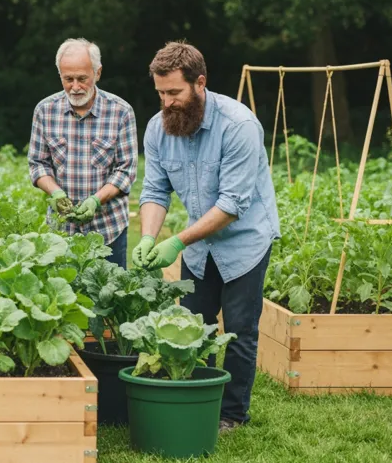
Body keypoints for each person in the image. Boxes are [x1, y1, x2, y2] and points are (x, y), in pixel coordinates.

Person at [133, 41, 280, 433]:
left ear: (200, 83)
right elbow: (154, 191)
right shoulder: (158, 128)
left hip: (245, 241)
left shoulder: (239, 125)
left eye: (175, 92)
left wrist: (177, 241)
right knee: (193, 327)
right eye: (161, 93)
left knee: (238, 330)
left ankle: (231, 414)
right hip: (200, 244)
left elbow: (232, 205)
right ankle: (197, 399)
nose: (166, 102)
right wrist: (149, 236)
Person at [28, 38, 137, 268]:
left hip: (108, 230)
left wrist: (96, 200)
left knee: (110, 300)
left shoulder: (120, 112)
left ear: (97, 73)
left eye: (82, 79)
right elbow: (38, 163)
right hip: (61, 231)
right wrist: (55, 192)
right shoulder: (45, 111)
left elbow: (126, 170)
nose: (75, 87)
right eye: (68, 79)